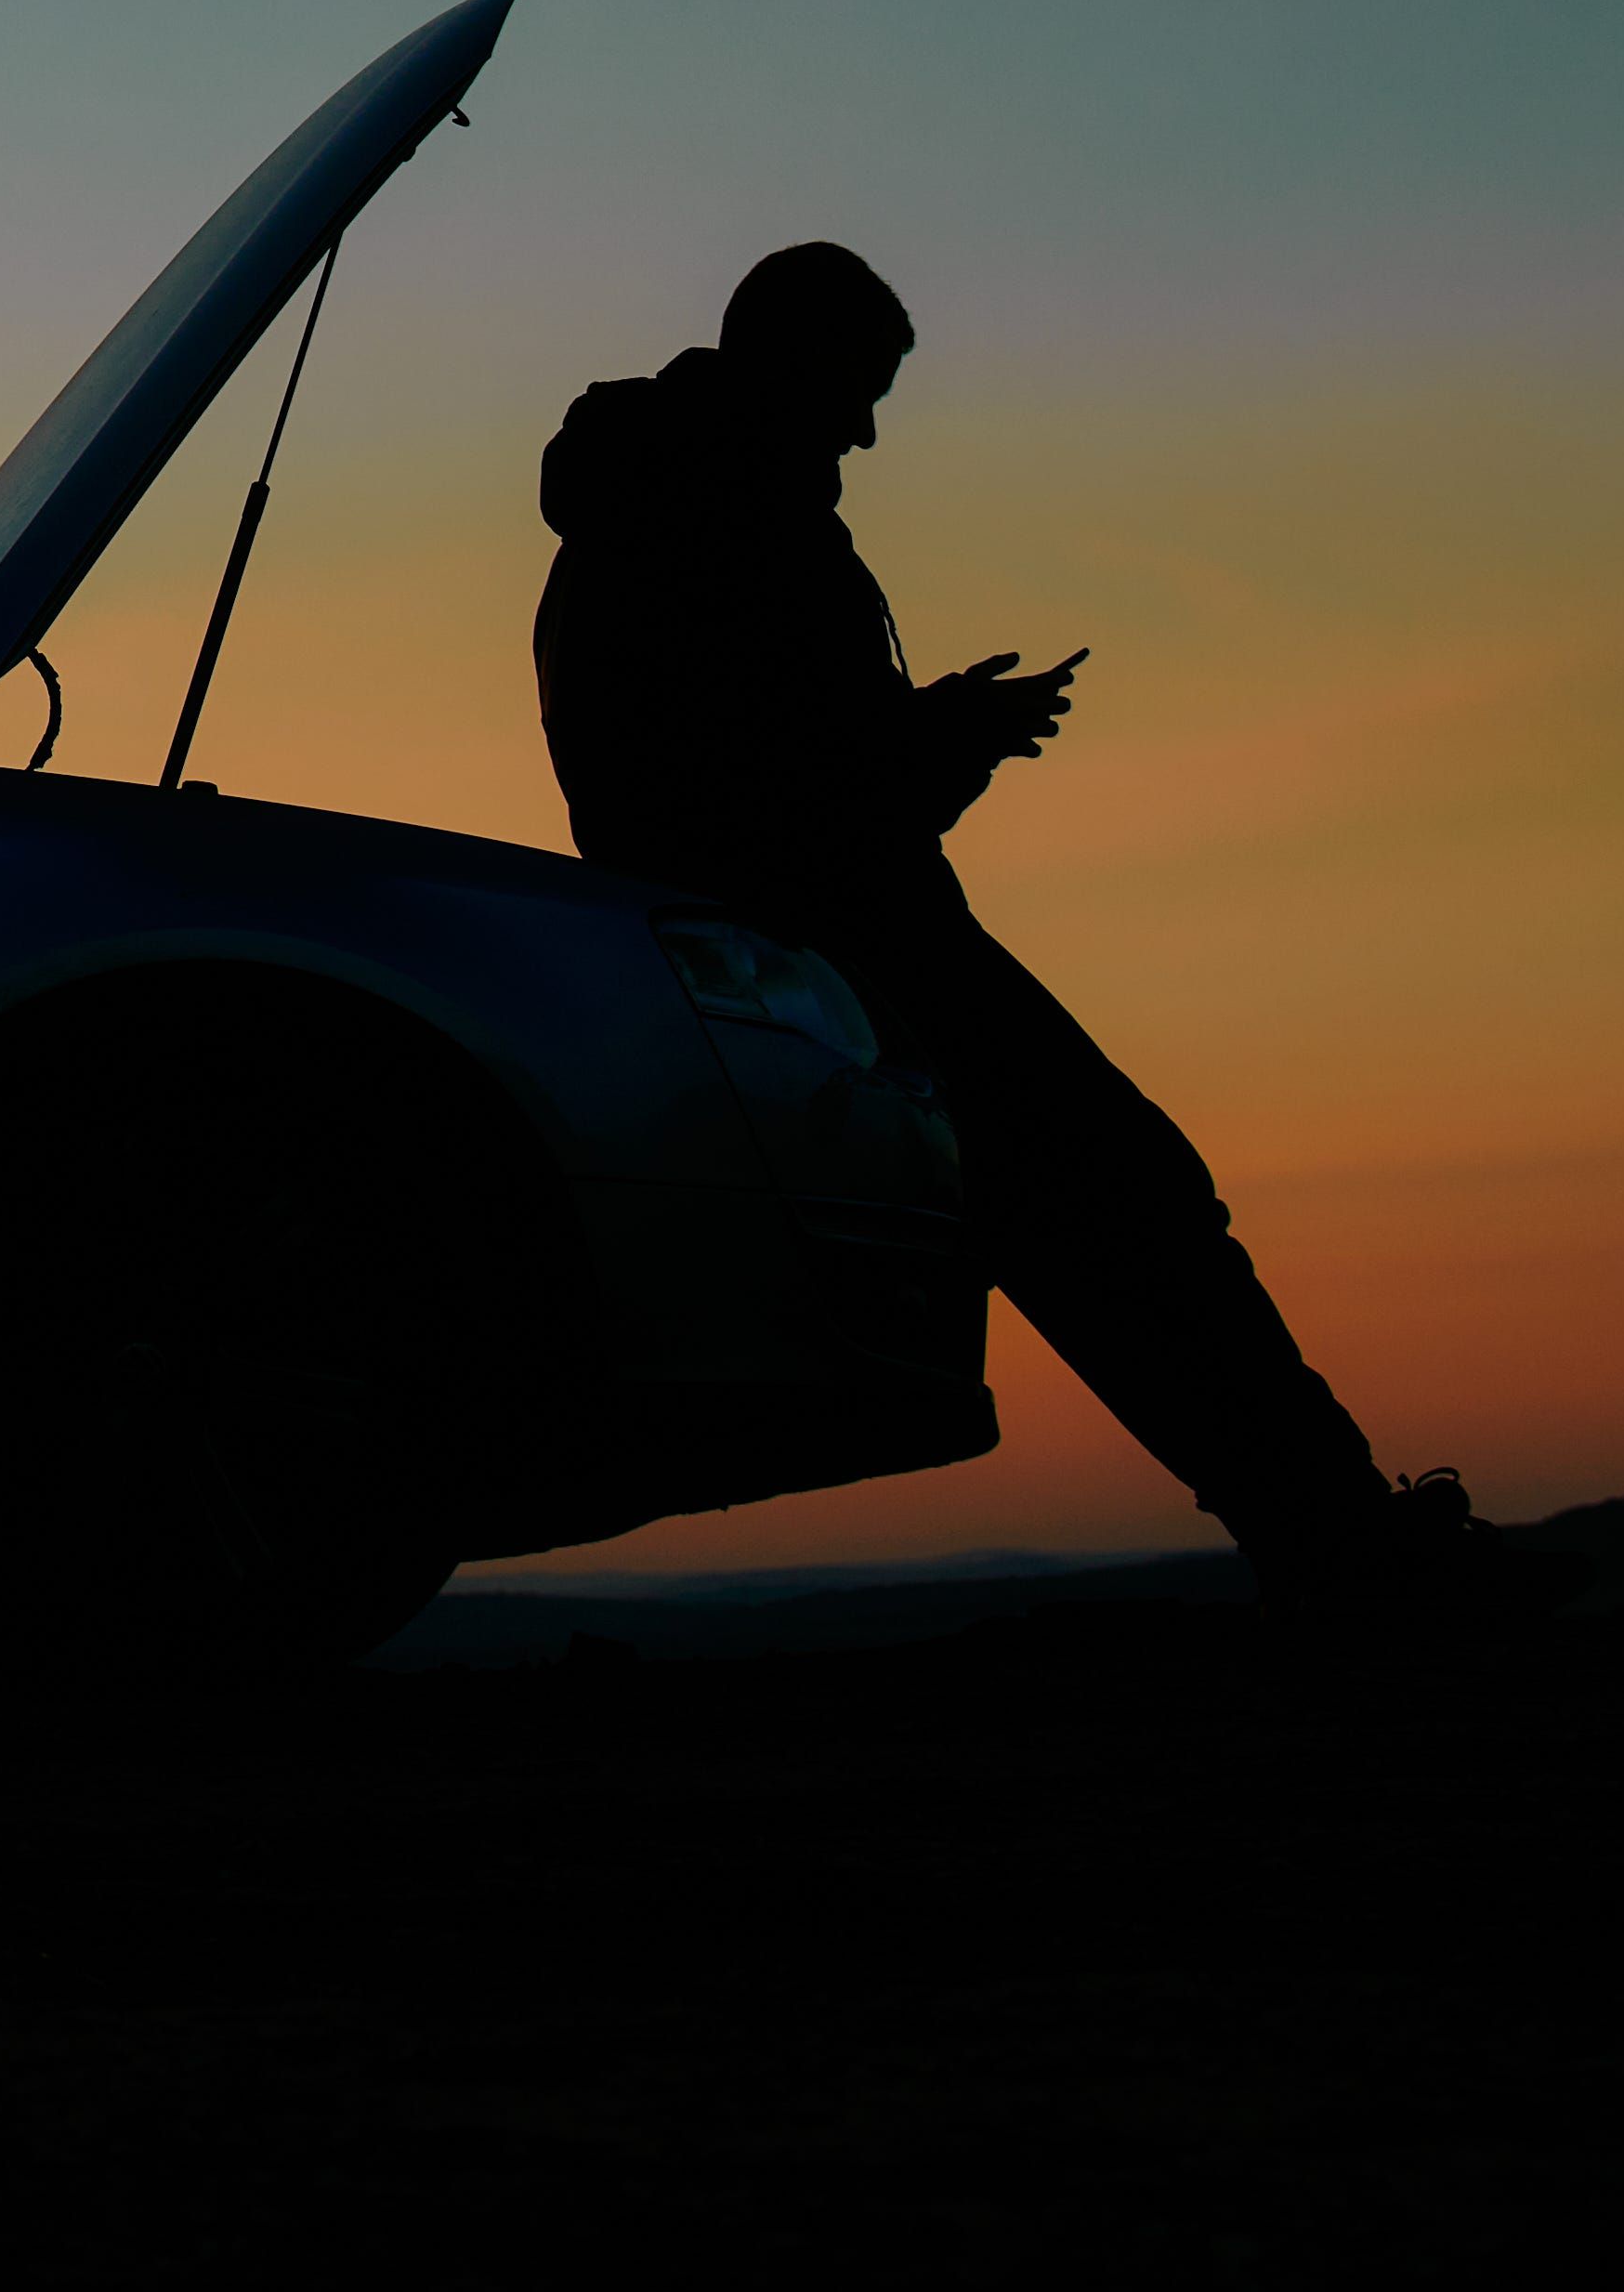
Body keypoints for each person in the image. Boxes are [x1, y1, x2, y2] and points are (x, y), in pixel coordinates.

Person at [537, 240, 1545, 1613]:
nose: (868, 427)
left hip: (809, 961)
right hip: (836, 968)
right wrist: (937, 744)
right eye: (859, 388)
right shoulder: (718, 519)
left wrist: (933, 741)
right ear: (795, 358)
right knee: (1130, 1212)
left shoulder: (681, 505)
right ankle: (1346, 1550)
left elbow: (779, 770)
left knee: (1116, 1219)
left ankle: (1335, 1539)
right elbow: (768, 800)